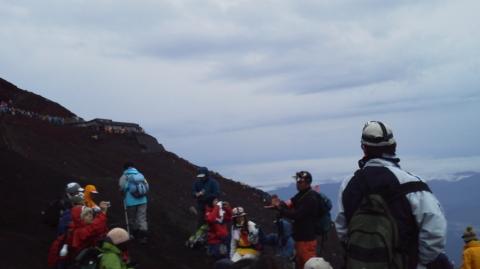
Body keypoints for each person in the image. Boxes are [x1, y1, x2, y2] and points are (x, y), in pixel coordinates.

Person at [335, 121, 448, 269]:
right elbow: (435, 232)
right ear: (394, 146)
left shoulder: (348, 185)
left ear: (364, 148)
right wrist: (418, 263)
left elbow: (341, 231)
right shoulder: (412, 184)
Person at [272, 171, 319, 269]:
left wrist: (281, 209)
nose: (297, 184)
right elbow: (289, 202)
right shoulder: (301, 195)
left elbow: (297, 215)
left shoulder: (310, 198)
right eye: (297, 181)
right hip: (299, 239)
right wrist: (279, 204)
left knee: (309, 265)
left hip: (307, 240)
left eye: (300, 182)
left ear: (307, 183)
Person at [119, 162, 149, 243]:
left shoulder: (125, 176)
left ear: (125, 168)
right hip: (143, 200)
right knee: (142, 218)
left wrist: (123, 192)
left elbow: (122, 187)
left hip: (130, 201)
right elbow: (147, 186)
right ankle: (143, 236)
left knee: (132, 218)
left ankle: (134, 234)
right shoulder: (140, 175)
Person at [205, 196, 232, 260]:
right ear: (211, 202)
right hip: (215, 239)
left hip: (224, 237)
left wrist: (228, 208)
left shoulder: (220, 211)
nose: (217, 202)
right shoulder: (208, 211)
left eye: (217, 200)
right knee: (216, 257)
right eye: (215, 201)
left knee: (228, 255)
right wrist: (217, 207)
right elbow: (211, 219)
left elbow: (230, 218)